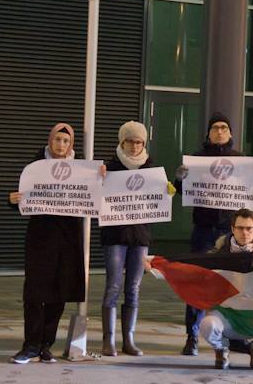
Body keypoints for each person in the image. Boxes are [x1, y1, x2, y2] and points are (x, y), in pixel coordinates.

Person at [174, 112, 253, 356]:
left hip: (230, 231)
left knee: (234, 285)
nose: (219, 131)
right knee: (197, 281)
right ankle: (192, 336)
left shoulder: (242, 160)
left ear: (230, 133)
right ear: (208, 133)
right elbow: (184, 191)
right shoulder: (196, 160)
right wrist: (180, 177)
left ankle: (235, 336)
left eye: (224, 127)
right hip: (203, 230)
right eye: (215, 127)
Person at [7, 123, 85, 364]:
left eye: (66, 141)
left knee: (59, 292)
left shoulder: (81, 170)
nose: (61, 145)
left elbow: (94, 195)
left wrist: (100, 177)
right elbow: (23, 198)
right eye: (57, 140)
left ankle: (45, 345)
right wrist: (13, 200)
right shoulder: (35, 167)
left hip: (68, 239)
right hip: (41, 238)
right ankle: (30, 345)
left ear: (71, 145)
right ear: (50, 141)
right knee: (34, 292)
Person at [98, 121, 154, 357]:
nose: (134, 146)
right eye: (130, 141)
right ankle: (108, 339)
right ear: (122, 142)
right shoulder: (108, 167)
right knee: (113, 285)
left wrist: (168, 190)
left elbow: (160, 199)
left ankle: (128, 339)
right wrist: (98, 179)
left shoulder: (151, 169)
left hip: (140, 237)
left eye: (139, 141)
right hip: (115, 235)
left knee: (133, 287)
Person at [198, 208, 253, 370]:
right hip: (227, 314)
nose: (245, 232)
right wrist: (158, 264)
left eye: (249, 228)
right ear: (232, 229)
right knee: (207, 325)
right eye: (240, 228)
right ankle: (221, 350)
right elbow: (193, 270)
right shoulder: (217, 254)